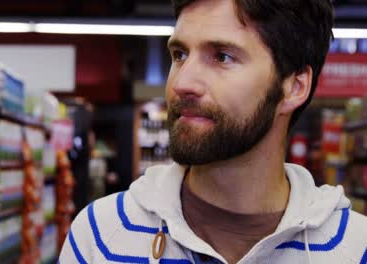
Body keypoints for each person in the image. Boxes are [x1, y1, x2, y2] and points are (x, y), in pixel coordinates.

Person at [59, 0, 367, 263]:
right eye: (179, 54)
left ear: (294, 87)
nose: (181, 84)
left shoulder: (356, 249)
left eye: (222, 57)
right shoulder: (100, 237)